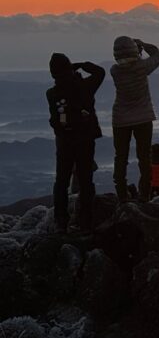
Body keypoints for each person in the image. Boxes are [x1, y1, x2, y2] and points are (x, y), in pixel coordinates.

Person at [46, 53, 105, 233]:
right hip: (85, 139)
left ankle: (61, 221)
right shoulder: (85, 87)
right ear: (69, 68)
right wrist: (81, 65)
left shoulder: (51, 94)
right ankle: (85, 221)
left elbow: (55, 119)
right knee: (86, 180)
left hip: (64, 141)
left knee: (61, 181)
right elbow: (100, 72)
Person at [110, 36, 159, 202]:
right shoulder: (142, 67)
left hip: (120, 119)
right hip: (143, 117)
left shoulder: (115, 71)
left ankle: (122, 195)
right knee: (144, 157)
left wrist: (136, 49)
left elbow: (128, 63)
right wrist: (143, 44)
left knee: (121, 157)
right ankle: (144, 195)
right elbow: (157, 55)